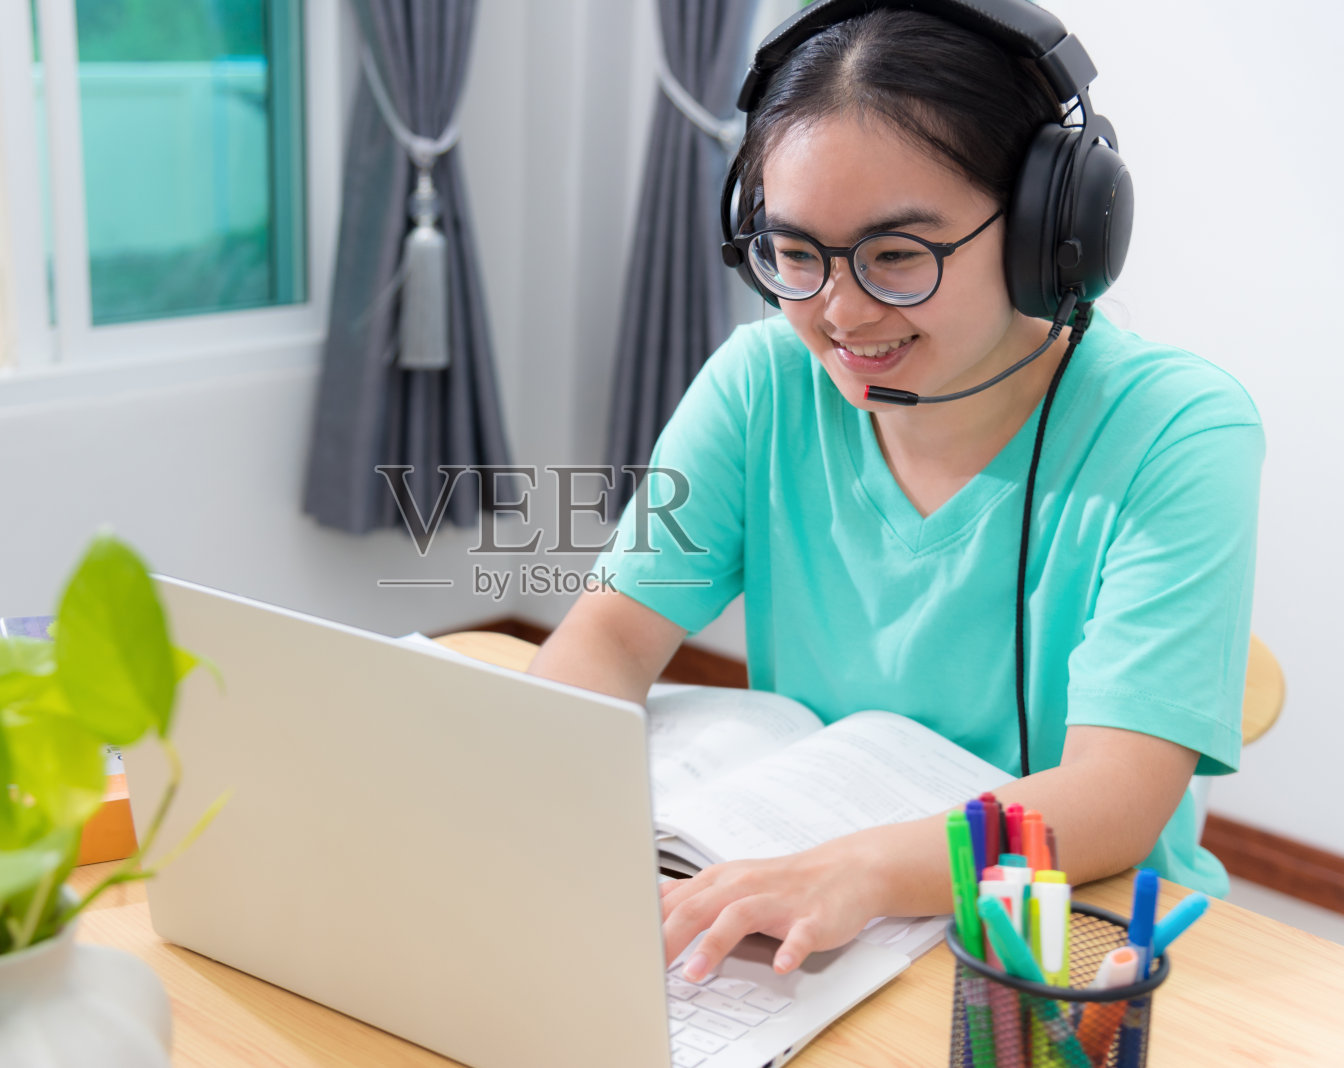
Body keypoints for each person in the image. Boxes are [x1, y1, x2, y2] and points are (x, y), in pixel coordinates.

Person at [527, 4, 1262, 982]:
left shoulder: (1176, 429)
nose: (838, 313)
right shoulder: (760, 384)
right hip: (811, 928)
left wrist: (858, 873)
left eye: (897, 256)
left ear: (1051, 231)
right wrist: (530, 804)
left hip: (1068, 947)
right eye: (794, 255)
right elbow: (613, 637)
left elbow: (1116, 797)